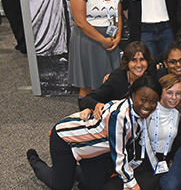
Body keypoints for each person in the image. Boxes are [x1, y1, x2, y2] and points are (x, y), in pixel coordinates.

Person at [27, 77, 163, 190]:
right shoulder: (119, 116)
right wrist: (132, 185)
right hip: (66, 138)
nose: (148, 106)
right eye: (143, 100)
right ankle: (34, 160)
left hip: (94, 149)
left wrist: (157, 167)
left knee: (95, 186)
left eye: (153, 102)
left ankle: (71, 169)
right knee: (61, 186)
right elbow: (119, 155)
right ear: (133, 95)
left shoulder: (143, 112)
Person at [69, 0, 123, 98]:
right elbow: (80, 22)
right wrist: (102, 40)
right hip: (89, 40)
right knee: (88, 84)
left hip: (110, 40)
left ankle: (106, 115)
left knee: (111, 81)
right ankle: (87, 115)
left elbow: (117, 16)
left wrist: (117, 37)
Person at [79, 41, 154, 112]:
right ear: (127, 62)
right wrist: (97, 105)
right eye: (134, 60)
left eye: (142, 59)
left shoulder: (152, 74)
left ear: (148, 62)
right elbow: (86, 100)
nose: (138, 65)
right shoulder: (117, 79)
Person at [144, 74, 181, 189]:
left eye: (178, 93)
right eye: (169, 93)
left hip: (165, 161)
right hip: (146, 160)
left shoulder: (178, 113)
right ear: (160, 92)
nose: (174, 97)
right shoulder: (148, 111)